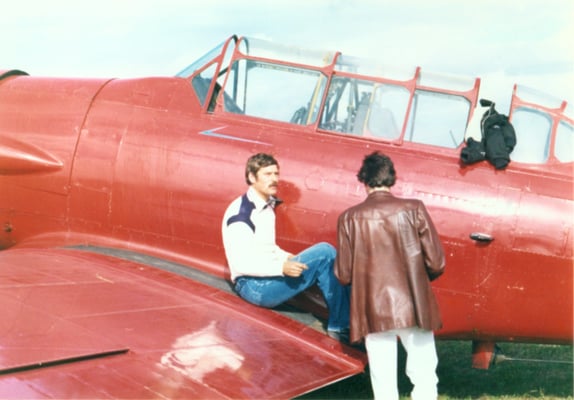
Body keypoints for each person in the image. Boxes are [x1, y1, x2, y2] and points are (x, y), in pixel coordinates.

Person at [334, 151, 445, 400]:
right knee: (424, 373)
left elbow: (343, 274)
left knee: (383, 380)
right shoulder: (414, 208)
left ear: (364, 179)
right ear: (391, 178)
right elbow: (437, 263)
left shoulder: (348, 218)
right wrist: (416, 279)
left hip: (372, 308)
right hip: (414, 304)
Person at [222, 153, 350, 339]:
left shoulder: (266, 205)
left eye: (276, 174)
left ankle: (344, 323)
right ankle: (340, 326)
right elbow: (241, 264)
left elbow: (267, 247)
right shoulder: (242, 215)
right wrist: (281, 267)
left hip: (267, 276)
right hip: (252, 286)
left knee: (326, 256)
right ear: (252, 177)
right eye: (267, 174)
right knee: (325, 251)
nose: (274, 179)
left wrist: (286, 257)